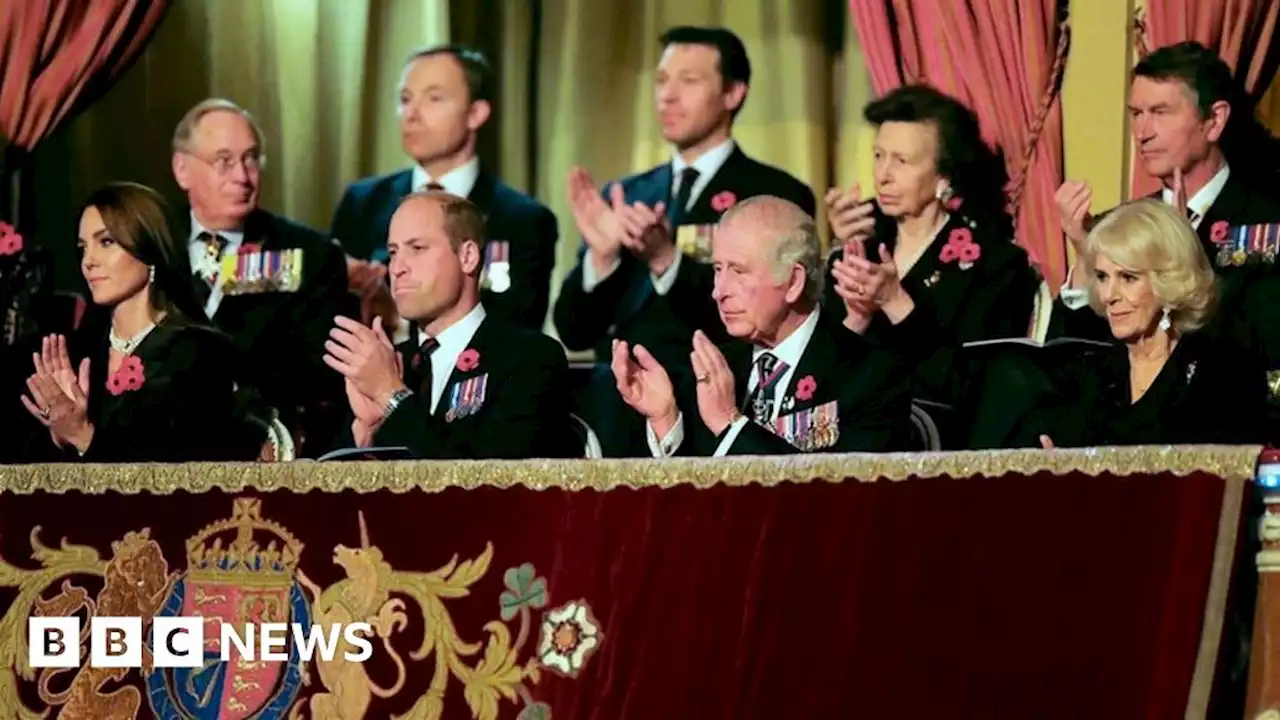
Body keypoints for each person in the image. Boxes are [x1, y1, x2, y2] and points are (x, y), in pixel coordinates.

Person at [553, 26, 816, 456]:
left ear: (733, 93)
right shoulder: (630, 194)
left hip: (708, 399)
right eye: (661, 81)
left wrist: (666, 260)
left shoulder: (771, 194)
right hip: (617, 401)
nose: (667, 96)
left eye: (689, 81)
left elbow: (765, 316)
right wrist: (601, 260)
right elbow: (574, 329)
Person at [612, 196, 912, 456]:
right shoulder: (713, 368)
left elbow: (839, 500)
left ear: (793, 282)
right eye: (718, 269)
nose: (719, 291)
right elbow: (690, 500)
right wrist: (665, 420)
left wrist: (731, 425)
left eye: (739, 271)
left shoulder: (871, 375)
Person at [1049, 41, 1280, 356]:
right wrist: (1086, 252)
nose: (1143, 132)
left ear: (1214, 120)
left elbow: (1259, 347)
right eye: (1136, 114)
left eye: (1160, 112)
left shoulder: (1267, 221)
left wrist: (1183, 258)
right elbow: (1070, 357)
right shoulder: (1120, 225)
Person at [824, 84, 1039, 408]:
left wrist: (895, 302)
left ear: (943, 176)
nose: (883, 175)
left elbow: (969, 386)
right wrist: (841, 253)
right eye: (879, 155)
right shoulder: (861, 244)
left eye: (902, 161)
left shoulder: (992, 264)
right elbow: (823, 369)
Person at [323, 191, 580, 459]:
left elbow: (490, 484)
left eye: (417, 249)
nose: (396, 268)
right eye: (393, 252)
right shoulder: (393, 362)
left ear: (468, 256)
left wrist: (391, 396)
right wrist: (365, 436)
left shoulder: (529, 359)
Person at [168, 98, 354, 456]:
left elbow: (318, 374)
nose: (242, 176)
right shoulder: (150, 246)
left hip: (264, 445)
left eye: (251, 158)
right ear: (182, 170)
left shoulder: (309, 255)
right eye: (224, 161)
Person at [998, 200, 1267, 447]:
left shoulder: (1219, 369)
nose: (1108, 295)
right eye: (1103, 277)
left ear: (1168, 281)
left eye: (1127, 278)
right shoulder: (1091, 371)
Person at [21, 183, 257, 462]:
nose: (88, 261)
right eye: (83, 248)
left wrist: (82, 436)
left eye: (106, 242)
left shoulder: (202, 352)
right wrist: (58, 436)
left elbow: (181, 472)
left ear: (149, 248)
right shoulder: (77, 353)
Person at [332, 44, 559, 333]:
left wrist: (400, 315)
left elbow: (518, 329)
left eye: (433, 98)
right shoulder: (363, 203)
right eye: (404, 99)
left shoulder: (523, 219)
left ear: (476, 113)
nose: (411, 114)